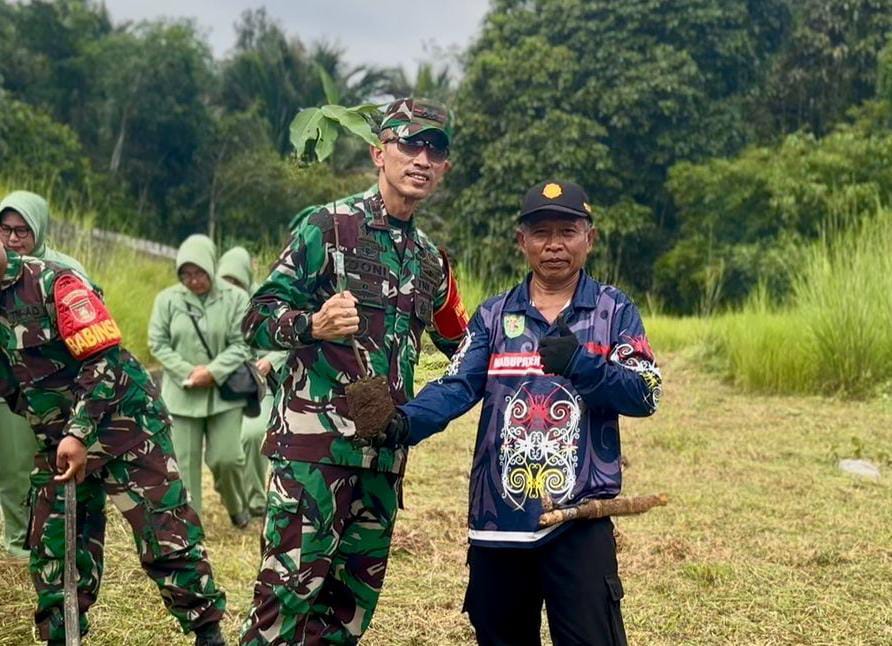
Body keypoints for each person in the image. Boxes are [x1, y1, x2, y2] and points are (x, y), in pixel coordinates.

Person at [353, 180, 663, 646]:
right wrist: (403, 422)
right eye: (541, 233)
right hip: (498, 522)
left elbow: (645, 393)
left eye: (567, 231)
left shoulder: (614, 311)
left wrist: (583, 364)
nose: (554, 245)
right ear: (522, 241)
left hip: (578, 520)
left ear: (590, 238)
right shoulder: (494, 316)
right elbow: (457, 385)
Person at [240, 97, 469, 645]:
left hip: (383, 462)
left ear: (445, 168)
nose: (421, 158)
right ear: (378, 153)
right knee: (283, 606)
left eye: (433, 149)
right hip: (315, 455)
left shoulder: (432, 262)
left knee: (345, 617)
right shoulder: (329, 227)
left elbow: (463, 347)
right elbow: (256, 316)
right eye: (408, 144)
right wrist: (311, 323)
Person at [0, 242, 227, 646]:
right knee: (56, 548)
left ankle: (208, 633)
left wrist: (80, 431)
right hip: (57, 439)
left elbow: (103, 360)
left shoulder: (53, 282)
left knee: (166, 534)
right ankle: (61, 636)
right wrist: (59, 431)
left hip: (125, 422)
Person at [0, 190, 87, 560]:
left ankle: (61, 540)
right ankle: (18, 542)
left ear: (40, 229)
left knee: (56, 465)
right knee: (12, 465)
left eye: (23, 230)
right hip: (12, 387)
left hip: (59, 390)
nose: (14, 239)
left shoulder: (65, 272)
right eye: (5, 229)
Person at [148, 234, 252, 527]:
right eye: (186, 274)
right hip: (182, 396)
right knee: (183, 464)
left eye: (199, 273)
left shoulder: (236, 298)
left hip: (224, 394)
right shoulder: (168, 300)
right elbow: (158, 343)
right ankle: (189, 525)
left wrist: (213, 371)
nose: (193, 281)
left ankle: (236, 504)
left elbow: (242, 344)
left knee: (227, 458)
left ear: (211, 266)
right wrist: (188, 372)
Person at [217, 246, 287, 518]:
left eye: (236, 282)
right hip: (230, 388)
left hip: (264, 386)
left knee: (253, 434)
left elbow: (287, 339)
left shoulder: (267, 300)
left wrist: (270, 360)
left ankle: (257, 500)